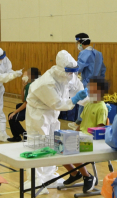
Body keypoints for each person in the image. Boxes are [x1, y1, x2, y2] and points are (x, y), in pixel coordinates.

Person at [26, 50, 88, 188]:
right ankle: (35, 181)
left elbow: (78, 91)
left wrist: (93, 102)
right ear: (61, 69)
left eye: (74, 71)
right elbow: (58, 104)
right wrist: (75, 99)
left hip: (53, 113)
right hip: (38, 113)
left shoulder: (69, 76)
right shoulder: (47, 82)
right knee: (38, 144)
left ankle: (49, 176)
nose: (72, 75)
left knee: (53, 143)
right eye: (70, 71)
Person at [62, 76, 110, 193]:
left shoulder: (102, 107)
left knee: (68, 148)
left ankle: (87, 176)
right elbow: (81, 124)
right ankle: (75, 174)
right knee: (59, 145)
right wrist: (72, 134)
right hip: (82, 136)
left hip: (92, 141)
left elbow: (100, 129)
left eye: (91, 87)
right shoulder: (88, 104)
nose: (88, 88)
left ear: (99, 91)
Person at [75, 33, 106, 124]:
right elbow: (103, 69)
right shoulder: (98, 54)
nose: (77, 45)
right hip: (99, 83)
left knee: (84, 103)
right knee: (96, 105)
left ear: (80, 42)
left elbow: (78, 68)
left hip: (87, 83)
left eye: (78, 42)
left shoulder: (84, 53)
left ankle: (80, 122)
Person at [7, 67, 40, 142]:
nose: (23, 77)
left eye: (25, 75)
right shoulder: (29, 85)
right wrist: (22, 88)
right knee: (18, 105)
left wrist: (14, 112)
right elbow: (23, 100)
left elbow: (26, 103)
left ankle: (23, 135)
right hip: (33, 106)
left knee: (11, 116)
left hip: (32, 108)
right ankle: (19, 136)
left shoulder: (30, 86)